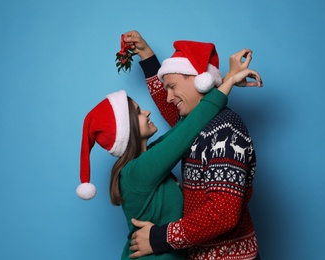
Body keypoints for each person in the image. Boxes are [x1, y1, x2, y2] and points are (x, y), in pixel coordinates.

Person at [75, 69, 262, 258]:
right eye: (139, 112)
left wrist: (221, 80)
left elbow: (183, 124)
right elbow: (189, 127)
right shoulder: (137, 171)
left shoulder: (147, 159)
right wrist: (228, 83)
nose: (147, 112)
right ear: (127, 128)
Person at [123, 30, 263, 260]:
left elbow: (224, 213)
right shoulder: (194, 122)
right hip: (200, 253)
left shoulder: (225, 130)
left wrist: (159, 237)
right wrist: (146, 55)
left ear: (200, 79)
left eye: (172, 86)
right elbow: (169, 106)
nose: (168, 97)